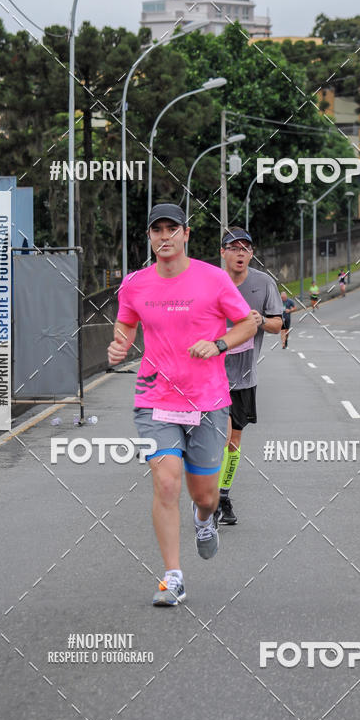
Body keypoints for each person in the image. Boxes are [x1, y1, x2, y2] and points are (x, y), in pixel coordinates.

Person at [108, 204, 256, 607]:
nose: (164, 236)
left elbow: (247, 323)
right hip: (155, 399)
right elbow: (126, 324)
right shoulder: (135, 284)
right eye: (157, 230)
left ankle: (204, 520)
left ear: (186, 234)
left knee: (205, 496)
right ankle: (173, 577)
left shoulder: (213, 279)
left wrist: (219, 344)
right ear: (149, 237)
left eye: (172, 229)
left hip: (207, 402)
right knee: (167, 482)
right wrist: (120, 344)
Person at [216, 229, 283, 525]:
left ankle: (223, 496)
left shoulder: (263, 283)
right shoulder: (210, 283)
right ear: (223, 252)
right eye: (234, 247)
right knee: (221, 437)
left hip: (244, 377)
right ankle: (209, 499)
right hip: (211, 376)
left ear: (252, 253)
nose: (240, 252)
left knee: (233, 442)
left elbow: (278, 324)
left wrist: (261, 320)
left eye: (245, 248)